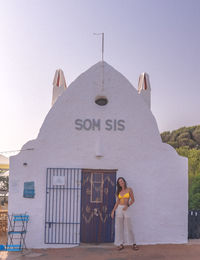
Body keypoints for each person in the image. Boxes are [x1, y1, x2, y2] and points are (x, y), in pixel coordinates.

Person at [111, 177, 138, 251]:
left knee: (129, 226)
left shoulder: (129, 189)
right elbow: (117, 202)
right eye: (119, 182)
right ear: (118, 184)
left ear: (124, 181)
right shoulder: (119, 192)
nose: (121, 182)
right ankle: (120, 244)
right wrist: (113, 210)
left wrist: (127, 205)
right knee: (119, 227)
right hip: (119, 209)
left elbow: (133, 200)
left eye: (121, 181)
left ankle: (133, 243)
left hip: (126, 208)